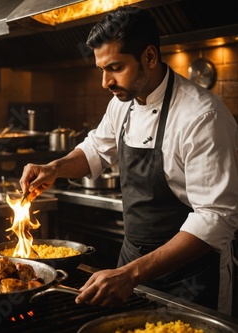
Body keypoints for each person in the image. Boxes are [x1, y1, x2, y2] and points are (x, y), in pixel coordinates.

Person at [19, 6, 238, 315]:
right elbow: (96, 149)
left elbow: (216, 218)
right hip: (132, 262)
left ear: (149, 57)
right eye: (101, 70)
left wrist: (131, 274)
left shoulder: (202, 116)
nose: (105, 81)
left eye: (115, 68)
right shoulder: (121, 104)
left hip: (190, 275)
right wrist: (54, 168)